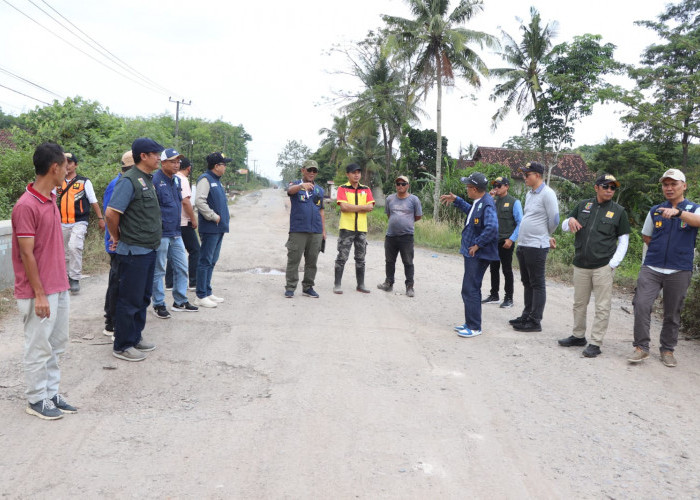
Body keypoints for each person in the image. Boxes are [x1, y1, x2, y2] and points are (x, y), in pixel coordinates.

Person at [12, 142, 77, 419]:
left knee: (56, 344)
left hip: (58, 284)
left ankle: (51, 392)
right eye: (65, 165)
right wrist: (39, 294)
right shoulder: (26, 206)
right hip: (39, 290)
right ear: (54, 167)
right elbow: (27, 254)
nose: (68, 169)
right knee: (38, 346)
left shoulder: (50, 198)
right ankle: (36, 398)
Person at [628, 169, 700, 367]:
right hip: (652, 266)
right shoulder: (656, 210)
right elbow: (646, 236)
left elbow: (698, 221)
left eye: (673, 184)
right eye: (665, 185)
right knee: (641, 304)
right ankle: (641, 348)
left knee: (672, 311)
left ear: (683, 186)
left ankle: (667, 349)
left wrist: (678, 213)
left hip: (679, 269)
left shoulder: (694, 209)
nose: (669, 188)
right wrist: (660, 252)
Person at [558, 174, 630, 358]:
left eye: (613, 187)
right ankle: (578, 336)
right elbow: (565, 226)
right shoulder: (584, 205)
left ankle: (596, 342)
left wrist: (613, 264)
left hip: (602, 266)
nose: (609, 190)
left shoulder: (619, 211)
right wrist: (570, 221)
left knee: (602, 306)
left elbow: (623, 240)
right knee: (579, 303)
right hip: (581, 263)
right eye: (606, 186)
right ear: (596, 187)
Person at [105, 137, 163, 362]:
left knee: (142, 297)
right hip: (132, 252)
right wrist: (116, 236)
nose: (159, 158)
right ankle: (122, 345)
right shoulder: (129, 180)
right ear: (144, 156)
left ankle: (135, 336)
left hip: (148, 249)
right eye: (155, 154)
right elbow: (111, 213)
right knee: (129, 299)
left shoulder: (146, 179)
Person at [439, 172, 499, 338]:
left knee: (470, 288)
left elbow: (492, 228)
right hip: (473, 252)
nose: (466, 189)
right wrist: (457, 201)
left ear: (474, 188)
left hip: (479, 254)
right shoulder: (479, 202)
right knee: (471, 288)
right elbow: (472, 215)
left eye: (468, 186)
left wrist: (478, 244)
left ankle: (474, 327)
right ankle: (470, 322)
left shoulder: (487, 204)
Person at [510, 162, 559, 333]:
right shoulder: (530, 194)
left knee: (537, 283)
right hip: (524, 244)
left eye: (527, 174)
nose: (524, 177)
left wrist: (545, 235)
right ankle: (526, 314)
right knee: (527, 282)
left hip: (537, 245)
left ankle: (535, 320)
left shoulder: (548, 194)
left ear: (537, 175)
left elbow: (554, 219)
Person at [151, 148, 198, 318]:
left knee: (182, 266)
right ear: (163, 162)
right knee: (159, 269)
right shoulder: (155, 180)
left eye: (178, 161)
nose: (176, 164)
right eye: (172, 161)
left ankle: (180, 300)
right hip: (161, 233)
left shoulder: (176, 181)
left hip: (176, 231)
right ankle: (158, 304)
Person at [57, 152, 105, 293]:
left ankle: (75, 278)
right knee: (64, 251)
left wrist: (100, 219)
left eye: (70, 162)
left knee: (74, 247)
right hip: (62, 222)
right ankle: (66, 277)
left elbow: (93, 201)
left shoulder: (84, 182)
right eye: (63, 162)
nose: (67, 165)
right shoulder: (57, 181)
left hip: (79, 221)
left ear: (76, 165)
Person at [102, 150, 134, 338]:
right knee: (117, 281)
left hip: (123, 241)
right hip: (116, 242)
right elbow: (111, 215)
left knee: (119, 280)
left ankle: (113, 319)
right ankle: (111, 322)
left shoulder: (125, 182)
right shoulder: (117, 185)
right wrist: (115, 239)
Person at [193, 152, 231, 308]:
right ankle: (200, 295)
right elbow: (199, 201)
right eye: (224, 165)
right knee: (205, 260)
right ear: (216, 166)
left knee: (212, 261)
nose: (225, 167)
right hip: (210, 228)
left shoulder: (217, 181)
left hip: (219, 228)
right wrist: (213, 216)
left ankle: (207, 292)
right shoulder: (205, 179)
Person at [284, 159, 326, 298]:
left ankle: (308, 287)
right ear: (303, 170)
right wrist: (302, 186)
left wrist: (324, 231)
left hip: (316, 231)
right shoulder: (296, 184)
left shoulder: (319, 189)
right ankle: (290, 287)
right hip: (298, 230)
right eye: (309, 170)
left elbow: (321, 211)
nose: (312, 173)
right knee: (294, 260)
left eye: (314, 170)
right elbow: (290, 191)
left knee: (312, 261)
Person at [377, 175, 422, 297]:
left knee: (408, 262)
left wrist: (405, 223)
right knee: (389, 261)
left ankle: (409, 286)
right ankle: (388, 283)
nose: (400, 186)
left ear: (408, 185)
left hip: (406, 236)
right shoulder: (390, 199)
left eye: (403, 184)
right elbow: (389, 214)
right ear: (395, 186)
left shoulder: (414, 200)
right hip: (391, 236)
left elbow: (418, 216)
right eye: (398, 184)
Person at [333, 163, 375, 294]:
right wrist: (362, 208)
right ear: (347, 174)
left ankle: (360, 285)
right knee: (342, 257)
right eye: (353, 172)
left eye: (358, 172)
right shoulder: (342, 188)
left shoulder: (366, 189)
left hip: (361, 228)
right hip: (347, 228)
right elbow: (344, 207)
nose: (356, 175)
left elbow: (371, 207)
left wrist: (352, 207)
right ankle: (337, 284)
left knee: (361, 258)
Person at [481, 176, 522, 308]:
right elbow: (482, 209)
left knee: (507, 270)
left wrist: (511, 239)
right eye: (495, 186)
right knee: (493, 269)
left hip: (506, 241)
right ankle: (494, 295)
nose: (496, 188)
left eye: (499, 186)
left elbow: (520, 223)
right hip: (494, 241)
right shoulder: (493, 201)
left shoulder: (514, 202)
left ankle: (509, 298)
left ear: (507, 186)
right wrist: (489, 196)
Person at [165, 156, 199, 291]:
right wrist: (193, 219)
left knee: (173, 250)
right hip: (184, 222)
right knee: (195, 250)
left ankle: (169, 282)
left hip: (174, 220)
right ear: (189, 168)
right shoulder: (182, 180)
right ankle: (193, 282)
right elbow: (186, 202)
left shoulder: (173, 178)